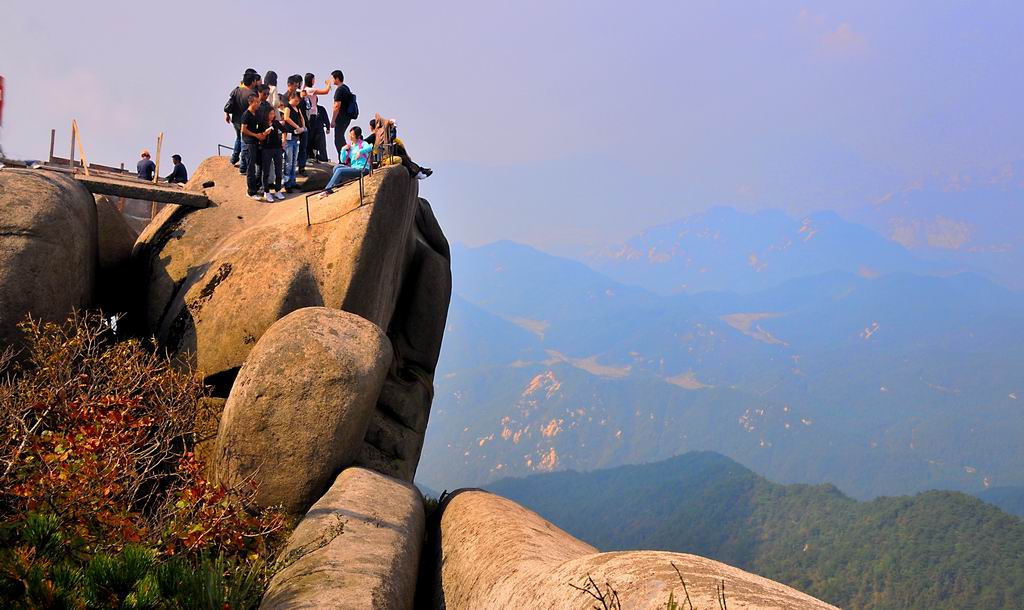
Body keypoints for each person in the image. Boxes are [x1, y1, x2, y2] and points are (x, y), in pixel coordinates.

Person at [366, 115, 432, 179]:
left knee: (403, 155)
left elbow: (399, 145)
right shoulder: (374, 137)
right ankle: (418, 172)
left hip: (389, 156)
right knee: (402, 157)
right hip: (381, 160)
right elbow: (365, 142)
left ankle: (420, 170)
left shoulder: (389, 138)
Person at [319, 126, 371, 197]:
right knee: (336, 167)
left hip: (363, 169)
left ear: (358, 136)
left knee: (340, 171)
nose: (350, 136)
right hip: (354, 168)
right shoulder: (350, 147)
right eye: (350, 134)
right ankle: (337, 183)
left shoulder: (363, 144)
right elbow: (342, 160)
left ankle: (327, 190)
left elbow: (370, 147)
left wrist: (361, 152)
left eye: (352, 135)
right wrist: (343, 150)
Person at [225, 71, 258, 172]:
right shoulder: (252, 95)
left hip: (235, 120)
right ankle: (243, 167)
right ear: (253, 82)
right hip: (246, 122)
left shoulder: (237, 90)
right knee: (244, 143)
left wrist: (227, 114)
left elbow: (229, 104)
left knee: (238, 138)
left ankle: (234, 158)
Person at [239, 94, 266, 199]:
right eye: (256, 102)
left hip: (257, 142)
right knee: (251, 168)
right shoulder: (246, 114)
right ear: (250, 102)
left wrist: (263, 134)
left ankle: (257, 186)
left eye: (259, 102)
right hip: (249, 142)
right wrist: (256, 135)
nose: (258, 104)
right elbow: (243, 129)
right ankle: (251, 191)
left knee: (261, 164)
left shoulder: (257, 113)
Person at [303, 73, 331, 162]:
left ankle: (310, 154)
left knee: (311, 135)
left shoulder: (305, 89)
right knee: (310, 136)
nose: (314, 81)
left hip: (309, 114)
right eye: (313, 79)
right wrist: (328, 84)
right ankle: (309, 155)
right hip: (311, 115)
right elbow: (325, 91)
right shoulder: (309, 89)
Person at [281, 90, 306, 192]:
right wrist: (297, 126)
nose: (297, 102)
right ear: (291, 98)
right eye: (295, 100)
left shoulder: (297, 107)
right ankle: (287, 183)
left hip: (296, 137)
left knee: (294, 161)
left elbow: (302, 117)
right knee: (288, 161)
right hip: (289, 136)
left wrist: (303, 127)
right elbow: (286, 118)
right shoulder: (288, 107)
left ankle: (293, 181)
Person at [260, 107, 285, 202]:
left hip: (277, 149)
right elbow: (260, 137)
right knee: (266, 171)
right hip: (266, 149)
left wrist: (284, 140)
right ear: (266, 114)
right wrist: (265, 133)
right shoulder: (262, 124)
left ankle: (278, 190)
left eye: (273, 113)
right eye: (270, 113)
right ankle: (266, 192)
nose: (272, 115)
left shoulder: (276, 123)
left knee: (278, 170)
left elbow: (284, 131)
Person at [329, 70, 354, 162]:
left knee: (338, 139)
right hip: (347, 118)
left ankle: (345, 159)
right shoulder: (346, 88)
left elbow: (337, 106)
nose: (332, 80)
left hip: (341, 118)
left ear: (337, 78)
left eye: (332, 78)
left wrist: (333, 120)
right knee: (340, 137)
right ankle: (346, 159)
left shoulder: (339, 89)